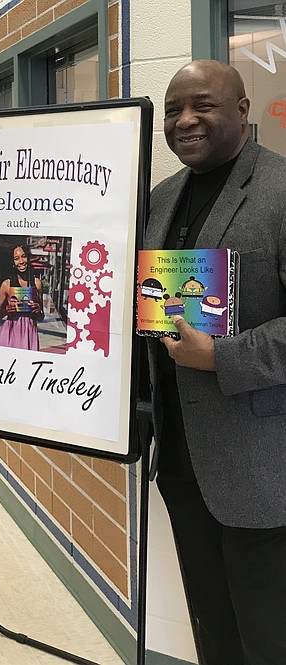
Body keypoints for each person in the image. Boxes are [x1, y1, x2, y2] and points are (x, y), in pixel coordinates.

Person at [146, 60, 286, 664]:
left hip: (259, 469)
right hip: (180, 457)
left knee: (268, 636)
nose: (185, 121)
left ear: (243, 110)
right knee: (212, 629)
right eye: (174, 110)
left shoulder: (280, 193)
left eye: (201, 105)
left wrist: (222, 358)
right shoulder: (160, 199)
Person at [0, 243, 44, 350]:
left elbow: (41, 317)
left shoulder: (37, 283)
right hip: (9, 333)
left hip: (30, 334)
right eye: (16, 258)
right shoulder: (6, 285)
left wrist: (38, 311)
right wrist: (7, 310)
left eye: (24, 256)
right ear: (12, 262)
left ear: (28, 258)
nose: (21, 261)